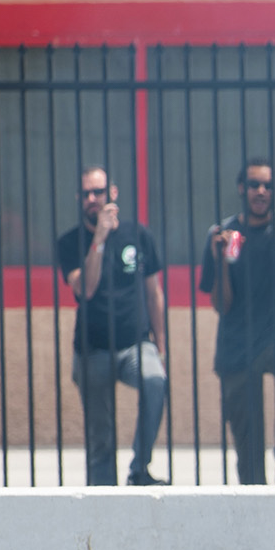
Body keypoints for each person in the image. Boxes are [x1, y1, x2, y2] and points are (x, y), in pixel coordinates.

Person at [197, 158, 275, 485]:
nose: (260, 191)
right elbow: (221, 303)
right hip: (237, 343)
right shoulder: (222, 234)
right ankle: (252, 491)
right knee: (247, 452)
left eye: (267, 185)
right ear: (241, 188)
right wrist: (221, 262)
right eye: (253, 185)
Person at [56, 165, 167, 486]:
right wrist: (100, 239)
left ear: (113, 194)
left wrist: (160, 345)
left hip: (135, 343)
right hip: (92, 349)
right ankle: (102, 496)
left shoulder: (139, 235)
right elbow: (86, 289)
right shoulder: (70, 242)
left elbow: (153, 293)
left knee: (155, 381)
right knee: (101, 437)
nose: (93, 199)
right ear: (80, 198)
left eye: (99, 192)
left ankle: (139, 469)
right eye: (87, 194)